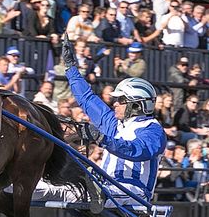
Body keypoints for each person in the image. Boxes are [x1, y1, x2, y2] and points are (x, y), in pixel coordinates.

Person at [61, 37, 167, 205]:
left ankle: (92, 191)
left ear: (136, 105)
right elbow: (87, 99)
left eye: (121, 101)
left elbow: (138, 150)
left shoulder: (153, 130)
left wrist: (103, 139)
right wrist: (71, 69)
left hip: (134, 191)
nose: (114, 104)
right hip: (105, 186)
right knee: (56, 189)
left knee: (89, 192)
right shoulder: (114, 123)